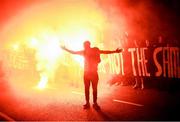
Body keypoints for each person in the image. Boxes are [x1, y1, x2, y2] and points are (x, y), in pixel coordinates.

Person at [61, 40, 122, 110]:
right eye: (84, 46)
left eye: (85, 45)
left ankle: (92, 103)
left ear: (87, 45)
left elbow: (74, 52)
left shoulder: (93, 50)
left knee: (92, 88)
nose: (85, 47)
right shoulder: (91, 51)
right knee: (90, 88)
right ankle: (90, 103)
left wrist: (65, 49)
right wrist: (115, 51)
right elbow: (105, 52)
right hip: (89, 73)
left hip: (91, 73)